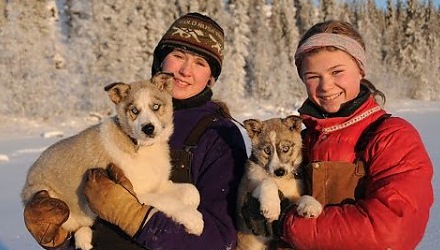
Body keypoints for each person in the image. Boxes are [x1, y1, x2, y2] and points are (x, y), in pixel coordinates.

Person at [23, 12, 248, 250]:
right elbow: (91, 205)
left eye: (200, 63)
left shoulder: (219, 136)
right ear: (161, 61)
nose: (185, 70)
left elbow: (220, 239)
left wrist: (135, 217)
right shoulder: (119, 129)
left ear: (211, 78)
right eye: (178, 56)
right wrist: (61, 236)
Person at [243, 20, 434, 249]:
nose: (326, 86)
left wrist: (286, 222)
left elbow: (392, 232)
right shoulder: (305, 139)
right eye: (313, 76)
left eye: (337, 72)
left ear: (360, 69)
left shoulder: (392, 136)